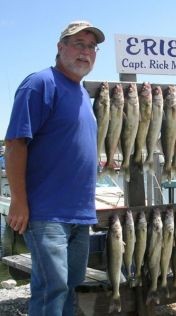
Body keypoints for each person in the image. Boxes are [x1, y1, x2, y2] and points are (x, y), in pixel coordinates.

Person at [5, 21, 105, 315]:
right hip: (47, 212)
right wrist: (19, 201)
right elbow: (15, 143)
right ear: (60, 48)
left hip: (80, 214)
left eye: (91, 47)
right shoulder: (40, 83)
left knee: (71, 287)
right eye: (78, 44)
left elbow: (68, 143)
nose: (85, 52)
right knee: (53, 289)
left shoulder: (81, 94)